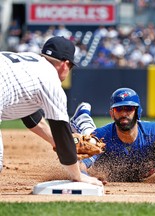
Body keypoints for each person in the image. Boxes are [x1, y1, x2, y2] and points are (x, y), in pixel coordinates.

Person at [0, 36, 103, 186]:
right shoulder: (50, 80)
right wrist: (78, 176)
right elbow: (61, 131)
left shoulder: (28, 63)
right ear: (65, 64)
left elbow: (30, 115)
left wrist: (55, 141)